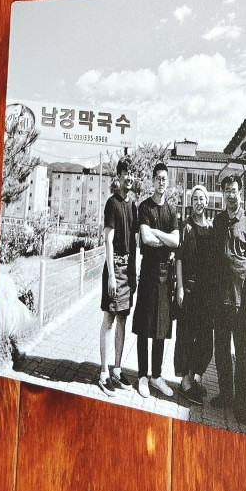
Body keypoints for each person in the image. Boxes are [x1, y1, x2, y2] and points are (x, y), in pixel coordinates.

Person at [211, 174, 246, 424]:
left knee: (242, 354)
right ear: (223, 194)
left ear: (240, 193)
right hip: (220, 299)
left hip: (241, 301)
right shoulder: (218, 221)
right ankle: (226, 394)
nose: (231, 194)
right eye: (227, 190)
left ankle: (241, 404)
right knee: (221, 349)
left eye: (234, 190)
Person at [131, 162, 179, 398]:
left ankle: (156, 376)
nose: (161, 182)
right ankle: (142, 375)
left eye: (164, 179)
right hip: (148, 271)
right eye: (158, 178)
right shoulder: (144, 207)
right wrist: (164, 238)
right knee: (144, 326)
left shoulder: (171, 210)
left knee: (161, 327)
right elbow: (145, 238)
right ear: (152, 180)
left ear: (167, 182)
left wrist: (158, 233)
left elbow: (176, 241)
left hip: (166, 275)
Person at [97, 159, 138, 395]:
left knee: (122, 319)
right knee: (109, 319)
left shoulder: (133, 206)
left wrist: (134, 272)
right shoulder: (112, 203)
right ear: (119, 177)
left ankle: (117, 369)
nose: (129, 177)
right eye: (125, 173)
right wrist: (111, 275)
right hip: (115, 269)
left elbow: (135, 242)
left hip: (128, 271)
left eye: (131, 173)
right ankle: (103, 372)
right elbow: (108, 240)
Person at [174, 184, 214, 405]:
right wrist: (180, 287)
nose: (199, 202)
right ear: (191, 203)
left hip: (206, 292)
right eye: (195, 199)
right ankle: (185, 383)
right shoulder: (185, 227)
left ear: (207, 202)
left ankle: (195, 377)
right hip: (188, 289)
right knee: (186, 337)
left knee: (205, 339)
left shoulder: (211, 227)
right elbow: (179, 259)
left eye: (202, 199)